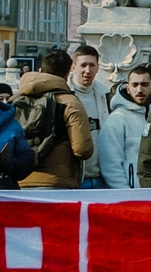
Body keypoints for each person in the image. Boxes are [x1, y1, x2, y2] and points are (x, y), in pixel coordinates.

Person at [13, 49, 96, 189]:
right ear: (67, 74)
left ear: (40, 70)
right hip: (57, 182)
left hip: (19, 179)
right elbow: (82, 149)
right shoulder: (71, 102)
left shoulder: (15, 99)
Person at [98, 65, 151, 188]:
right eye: (135, 85)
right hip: (130, 197)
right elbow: (110, 165)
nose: (139, 90)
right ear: (128, 88)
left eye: (145, 84)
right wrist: (125, 194)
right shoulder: (117, 119)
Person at [61, 44, 109, 189]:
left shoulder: (105, 95)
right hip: (74, 177)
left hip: (101, 177)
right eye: (83, 65)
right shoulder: (63, 95)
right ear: (73, 67)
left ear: (98, 68)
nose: (87, 71)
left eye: (92, 65)